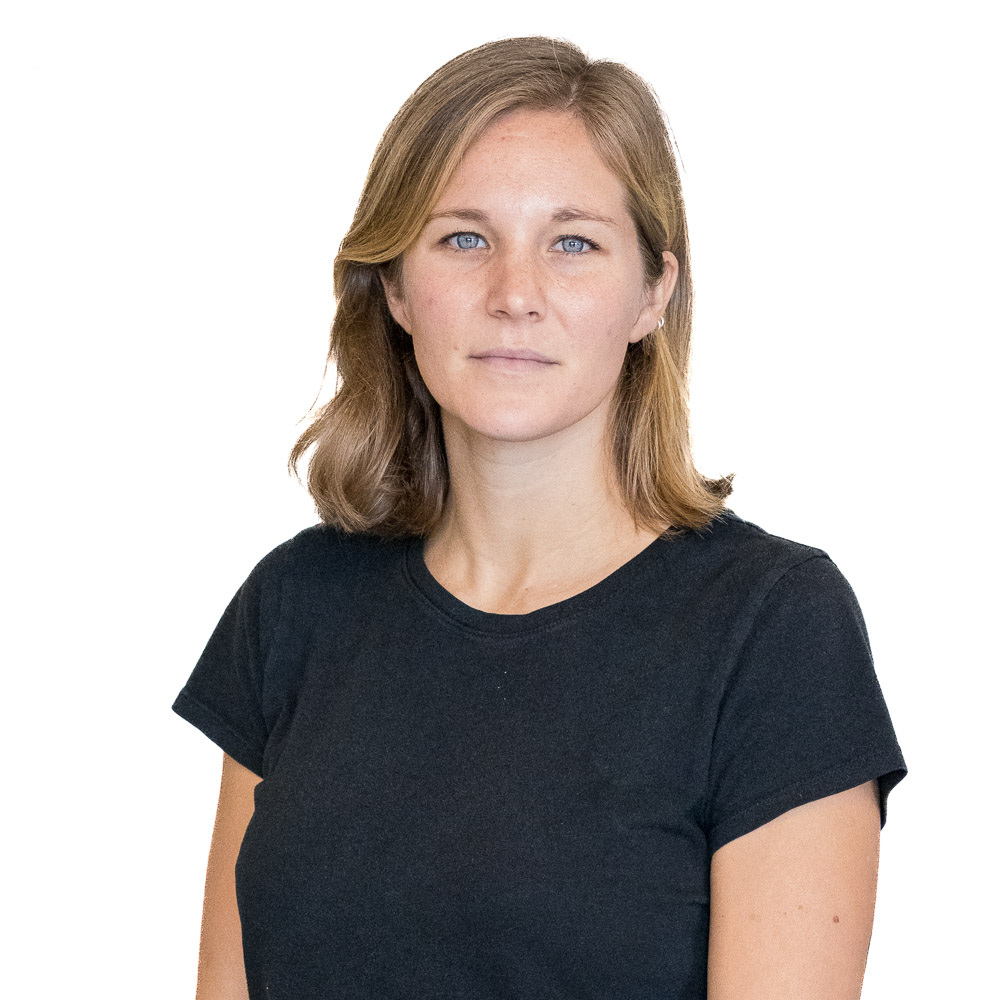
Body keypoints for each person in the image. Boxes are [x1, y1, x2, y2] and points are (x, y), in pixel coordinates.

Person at [172, 36, 907, 999]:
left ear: (652, 292)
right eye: (465, 238)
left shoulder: (771, 627)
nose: (515, 295)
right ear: (394, 286)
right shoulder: (297, 606)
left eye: (573, 243)